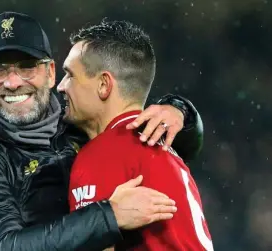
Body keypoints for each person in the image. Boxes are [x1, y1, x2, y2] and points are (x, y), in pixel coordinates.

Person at [0, 11, 204, 251]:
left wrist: (180, 112)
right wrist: (109, 216)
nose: (12, 82)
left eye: (26, 67)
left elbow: (159, 147)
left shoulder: (74, 122)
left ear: (50, 73)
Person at [59, 19, 213, 250]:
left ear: (104, 85)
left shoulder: (103, 153)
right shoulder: (164, 148)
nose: (61, 86)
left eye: (70, 75)